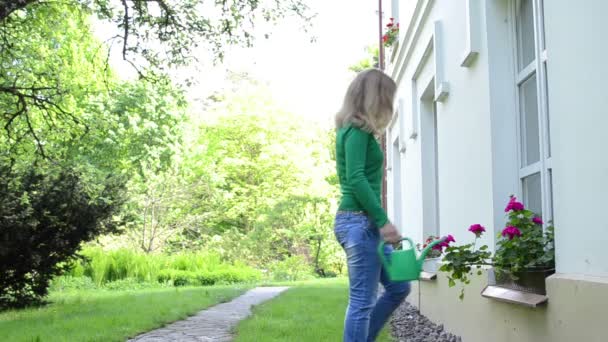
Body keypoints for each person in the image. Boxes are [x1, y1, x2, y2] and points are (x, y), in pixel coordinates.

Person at [334, 68, 410, 342]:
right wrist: (382, 221)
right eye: (387, 97)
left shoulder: (357, 131)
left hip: (363, 223)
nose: (389, 104)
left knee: (399, 287)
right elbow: (356, 179)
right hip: (358, 222)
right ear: (375, 97)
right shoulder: (355, 131)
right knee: (361, 302)